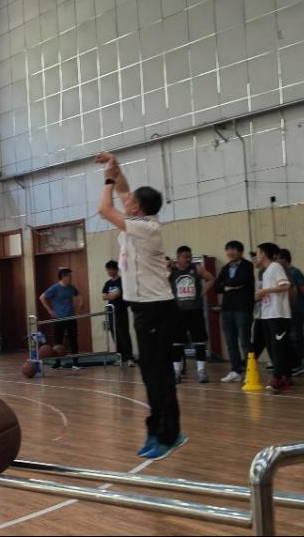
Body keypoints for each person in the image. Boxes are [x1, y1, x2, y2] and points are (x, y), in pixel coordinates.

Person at [96, 151, 186, 461]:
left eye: (131, 201)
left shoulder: (146, 228)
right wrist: (115, 166)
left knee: (158, 374)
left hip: (156, 308)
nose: (126, 200)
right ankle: (158, 429)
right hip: (142, 308)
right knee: (149, 373)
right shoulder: (135, 220)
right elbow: (123, 191)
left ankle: (169, 434)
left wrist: (107, 180)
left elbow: (104, 208)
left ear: (137, 208)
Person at [168, 246, 215, 383]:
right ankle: (176, 372)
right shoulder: (172, 270)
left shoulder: (197, 268)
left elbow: (211, 279)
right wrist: (168, 265)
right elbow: (160, 280)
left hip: (195, 310)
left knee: (199, 341)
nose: (188, 259)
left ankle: (201, 371)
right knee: (176, 343)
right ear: (178, 258)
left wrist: (202, 292)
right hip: (178, 312)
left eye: (190, 256)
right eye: (185, 257)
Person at [213, 241, 256, 383]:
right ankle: (235, 371)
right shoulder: (225, 268)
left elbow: (240, 280)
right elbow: (216, 287)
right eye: (228, 250)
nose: (230, 253)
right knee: (230, 342)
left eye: (233, 250)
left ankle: (250, 371)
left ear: (241, 252)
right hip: (227, 309)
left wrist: (225, 285)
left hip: (243, 309)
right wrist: (228, 287)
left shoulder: (247, 265)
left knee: (245, 341)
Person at [255, 243, 293, 394]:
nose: (256, 256)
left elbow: (285, 286)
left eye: (258, 253)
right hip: (267, 314)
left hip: (278, 315)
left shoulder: (275, 267)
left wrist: (265, 291)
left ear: (264, 253)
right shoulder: (265, 271)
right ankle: (285, 377)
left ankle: (278, 379)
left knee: (278, 349)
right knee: (272, 348)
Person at [39, 268, 83, 370]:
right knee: (58, 341)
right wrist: (50, 310)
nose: (71, 277)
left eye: (71, 275)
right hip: (59, 319)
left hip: (71, 318)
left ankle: (76, 363)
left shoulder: (72, 288)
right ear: (63, 277)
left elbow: (78, 295)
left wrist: (81, 303)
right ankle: (57, 363)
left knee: (73, 340)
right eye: (69, 275)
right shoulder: (54, 288)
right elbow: (42, 297)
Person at [278, 249, 304, 377]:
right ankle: (291, 363)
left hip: (296, 309)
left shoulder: (295, 272)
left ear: (284, 259)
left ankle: (299, 363)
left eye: (278, 258)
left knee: (297, 336)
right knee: (289, 337)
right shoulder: (280, 273)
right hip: (285, 310)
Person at [102, 261, 134, 367]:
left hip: (121, 311)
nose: (108, 272)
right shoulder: (108, 283)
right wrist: (113, 295)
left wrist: (112, 295)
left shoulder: (122, 281)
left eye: (109, 269)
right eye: (107, 270)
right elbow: (104, 296)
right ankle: (120, 358)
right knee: (115, 335)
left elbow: (119, 294)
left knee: (124, 334)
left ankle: (129, 358)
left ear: (115, 269)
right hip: (111, 312)